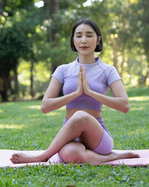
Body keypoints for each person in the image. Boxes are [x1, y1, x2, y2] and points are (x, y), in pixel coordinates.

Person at [10, 18, 140, 164]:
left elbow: (124, 105)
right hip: (70, 136)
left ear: (98, 40)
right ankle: (113, 156)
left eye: (89, 35)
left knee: (80, 116)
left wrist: (90, 92)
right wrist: (76, 94)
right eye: (79, 36)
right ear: (73, 41)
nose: (83, 40)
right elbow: (45, 106)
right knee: (71, 156)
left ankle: (43, 156)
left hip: (98, 138)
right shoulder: (63, 70)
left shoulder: (108, 70)